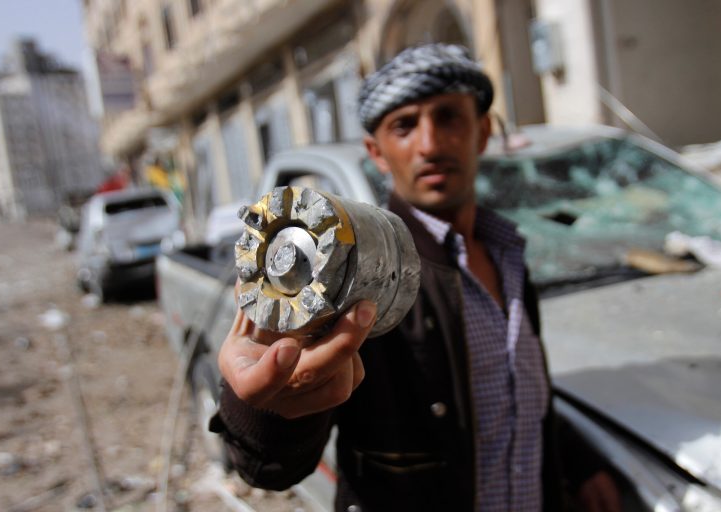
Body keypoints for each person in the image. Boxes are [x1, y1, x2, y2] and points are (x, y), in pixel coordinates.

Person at [211, 44, 620, 511]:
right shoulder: (353, 277)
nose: (429, 144)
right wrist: (271, 409)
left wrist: (578, 461)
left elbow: (509, 392)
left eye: (448, 117)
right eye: (404, 125)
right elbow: (268, 466)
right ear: (377, 152)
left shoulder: (509, 257)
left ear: (483, 132)